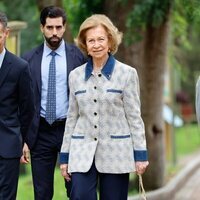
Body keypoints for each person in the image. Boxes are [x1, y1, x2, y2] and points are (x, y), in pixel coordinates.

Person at [60, 14, 149, 200]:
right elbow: (72, 118)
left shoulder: (127, 74)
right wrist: (65, 157)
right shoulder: (75, 76)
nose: (96, 44)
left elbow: (134, 117)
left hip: (116, 152)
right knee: (80, 195)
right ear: (85, 45)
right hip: (81, 151)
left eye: (101, 39)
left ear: (110, 41)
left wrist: (140, 154)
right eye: (91, 40)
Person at [22, 6, 86, 200]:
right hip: (40, 132)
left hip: (71, 130)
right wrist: (23, 139)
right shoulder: (28, 60)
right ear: (42, 28)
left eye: (58, 27)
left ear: (64, 27)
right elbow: (23, 103)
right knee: (41, 194)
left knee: (76, 190)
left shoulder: (79, 58)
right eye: (49, 27)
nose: (54, 32)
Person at [0, 11, 34, 200]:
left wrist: (22, 140)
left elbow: (28, 108)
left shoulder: (20, 67)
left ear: (6, 33)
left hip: (8, 146)